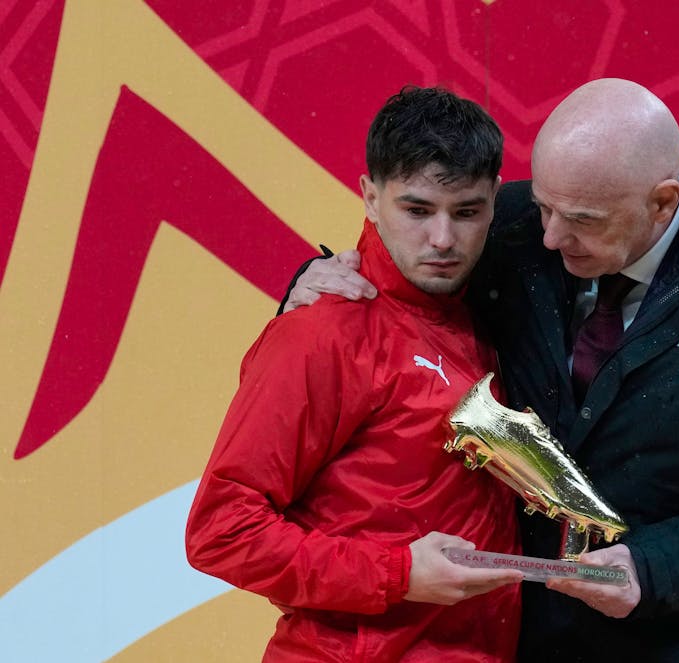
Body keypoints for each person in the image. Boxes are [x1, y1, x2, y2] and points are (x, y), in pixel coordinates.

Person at [281, 78, 679, 661]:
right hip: (532, 640)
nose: (551, 235)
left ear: (662, 201)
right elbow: (408, 264)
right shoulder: (517, 227)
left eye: (583, 220)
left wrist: (656, 566)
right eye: (543, 206)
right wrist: (313, 280)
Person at [186, 86, 526, 663]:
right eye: (415, 210)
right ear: (369, 196)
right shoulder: (323, 333)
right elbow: (221, 531)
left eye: (466, 212)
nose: (443, 239)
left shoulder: (497, 306)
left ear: (495, 200)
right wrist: (395, 574)